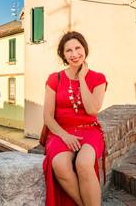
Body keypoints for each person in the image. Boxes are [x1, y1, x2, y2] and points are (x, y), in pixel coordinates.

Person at [43, 31, 107, 206]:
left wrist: (82, 78)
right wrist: (64, 135)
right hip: (60, 131)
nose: (74, 54)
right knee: (60, 165)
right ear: (63, 55)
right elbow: (47, 116)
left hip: (89, 130)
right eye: (68, 50)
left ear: (84, 49)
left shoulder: (98, 78)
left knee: (84, 163)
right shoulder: (54, 79)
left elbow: (92, 108)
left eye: (77, 48)